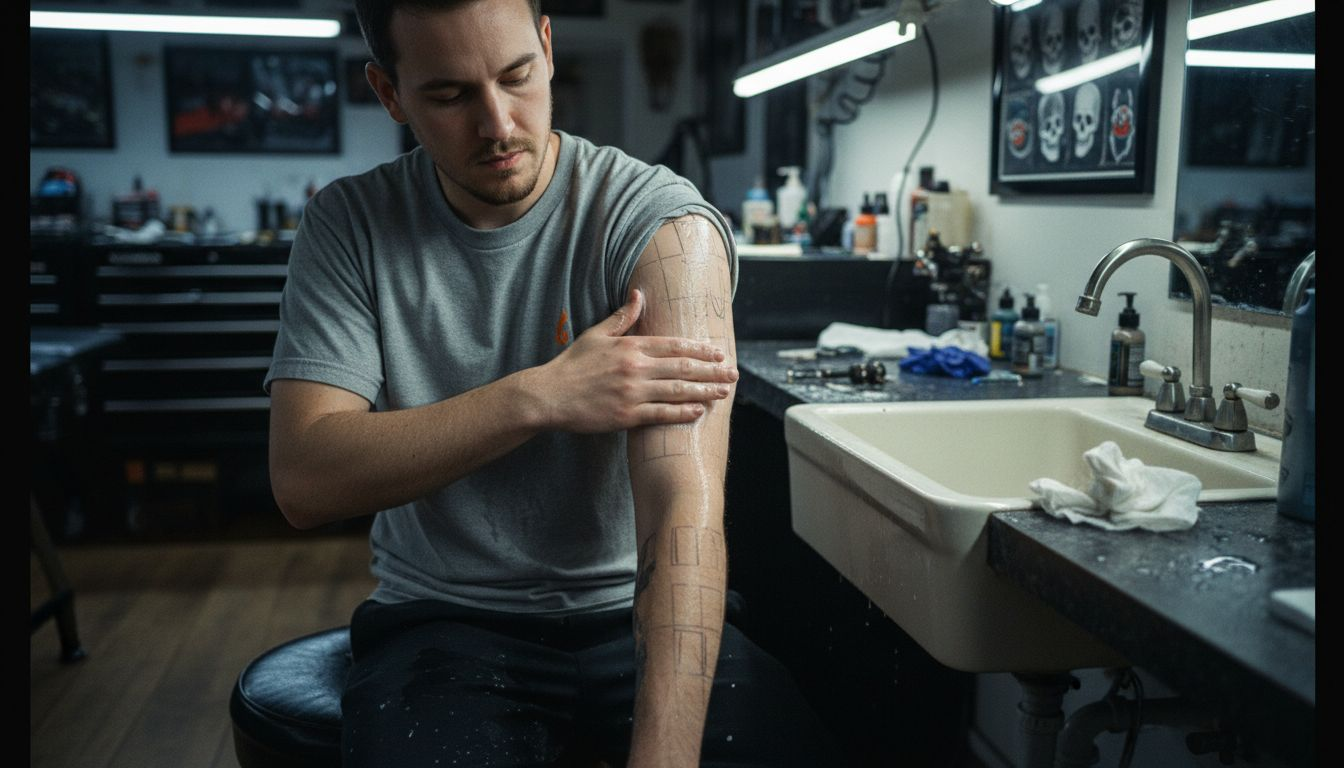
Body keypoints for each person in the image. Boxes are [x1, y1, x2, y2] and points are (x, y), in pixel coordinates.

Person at [264, 0, 835, 765]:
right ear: (390, 93)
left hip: (635, 614)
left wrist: (664, 757)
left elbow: (681, 510)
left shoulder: (662, 225)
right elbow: (304, 480)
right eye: (449, 95)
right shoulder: (349, 225)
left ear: (547, 44)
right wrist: (538, 397)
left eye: (516, 76)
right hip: (444, 623)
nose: (498, 124)